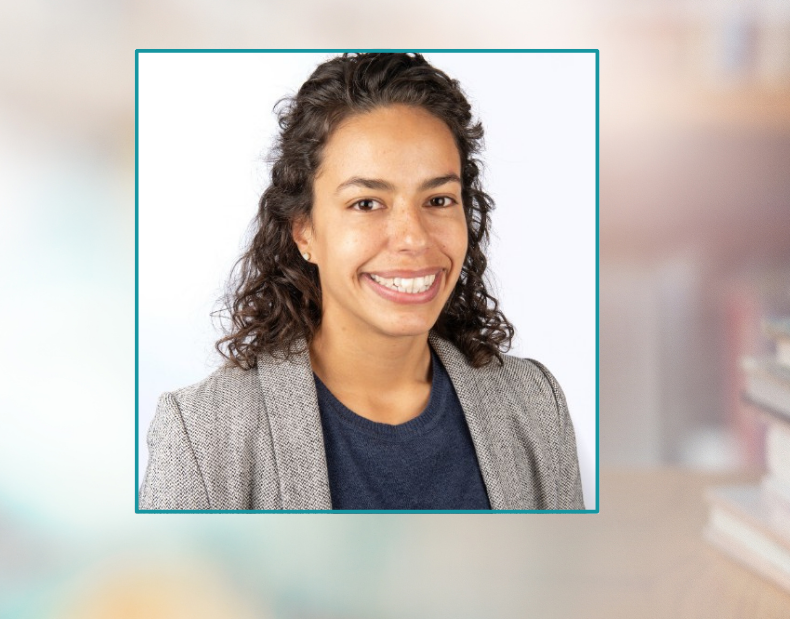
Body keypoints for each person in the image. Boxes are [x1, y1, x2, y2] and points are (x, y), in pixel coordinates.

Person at [140, 53, 584, 511]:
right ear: (303, 231)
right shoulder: (202, 433)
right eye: (367, 203)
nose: (413, 238)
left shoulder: (534, 405)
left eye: (438, 199)